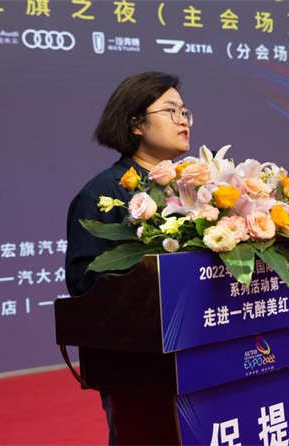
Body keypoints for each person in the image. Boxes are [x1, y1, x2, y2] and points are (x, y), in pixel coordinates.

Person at [64, 71, 193, 445]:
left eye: (184, 111)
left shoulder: (194, 190)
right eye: (170, 111)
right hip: (140, 365)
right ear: (136, 124)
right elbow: (86, 284)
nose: (182, 120)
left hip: (197, 350)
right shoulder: (103, 193)